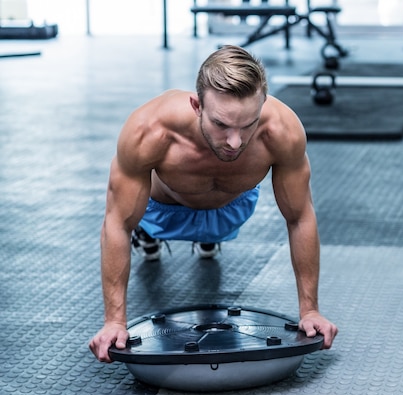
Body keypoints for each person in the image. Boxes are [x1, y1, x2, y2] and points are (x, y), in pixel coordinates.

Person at [89, 45, 338, 362]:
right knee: (129, 211)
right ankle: (149, 233)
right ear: (196, 105)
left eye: (248, 124)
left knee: (220, 219)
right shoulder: (149, 130)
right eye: (221, 125)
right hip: (161, 208)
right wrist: (114, 322)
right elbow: (117, 223)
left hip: (231, 207)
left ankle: (209, 235)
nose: (235, 142)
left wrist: (310, 310)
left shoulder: (282, 131)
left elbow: (300, 216)